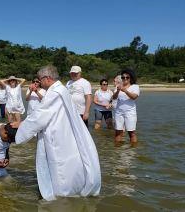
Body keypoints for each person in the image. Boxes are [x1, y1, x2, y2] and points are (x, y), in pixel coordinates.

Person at [13, 65, 101, 201]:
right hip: (64, 131)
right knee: (67, 161)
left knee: (58, 163)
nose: (40, 82)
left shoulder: (55, 92)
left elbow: (41, 114)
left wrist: (22, 125)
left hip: (57, 134)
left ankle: (60, 193)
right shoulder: (61, 89)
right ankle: (70, 187)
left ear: (47, 78)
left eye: (40, 79)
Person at [112, 69, 140, 144]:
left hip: (130, 112)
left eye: (127, 77)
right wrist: (118, 91)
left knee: (131, 132)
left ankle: (132, 150)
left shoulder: (135, 87)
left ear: (130, 78)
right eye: (123, 77)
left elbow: (134, 97)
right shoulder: (118, 86)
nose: (125, 79)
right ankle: (117, 150)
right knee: (118, 132)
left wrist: (126, 91)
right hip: (119, 112)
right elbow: (114, 98)